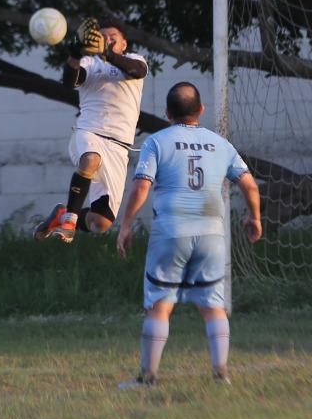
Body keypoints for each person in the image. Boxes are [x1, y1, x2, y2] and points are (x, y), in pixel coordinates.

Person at [114, 82, 262, 387]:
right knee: (212, 306)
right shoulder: (221, 144)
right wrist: (255, 217)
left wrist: (126, 224)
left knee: (159, 305)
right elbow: (249, 185)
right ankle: (221, 374)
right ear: (201, 110)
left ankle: (148, 377)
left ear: (167, 113)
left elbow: (142, 186)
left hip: (171, 232)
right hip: (211, 234)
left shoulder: (157, 142)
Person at [33, 19, 148, 243]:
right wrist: (75, 54)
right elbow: (69, 81)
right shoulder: (89, 62)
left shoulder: (134, 60)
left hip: (119, 146)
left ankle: (60, 215)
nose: (107, 39)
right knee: (91, 159)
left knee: (101, 223)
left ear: (124, 43)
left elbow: (137, 71)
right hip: (89, 132)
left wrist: (109, 54)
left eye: (113, 36)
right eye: (102, 36)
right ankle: (69, 220)